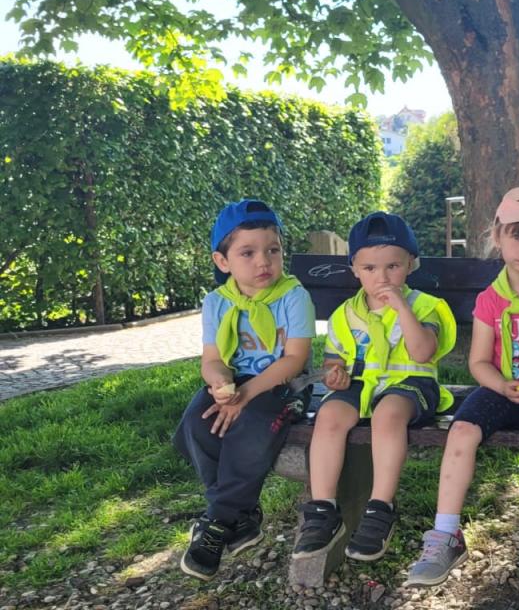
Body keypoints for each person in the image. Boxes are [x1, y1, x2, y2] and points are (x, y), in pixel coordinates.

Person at [406, 188, 519, 588]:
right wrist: (502, 385)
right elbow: (478, 363)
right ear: (497, 236)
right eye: (517, 234)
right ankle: (445, 535)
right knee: (461, 430)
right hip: (502, 388)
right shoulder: (492, 299)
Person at [291, 211, 456, 563]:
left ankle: (380, 508)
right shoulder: (345, 314)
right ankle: (323, 510)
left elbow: (423, 352)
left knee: (387, 414)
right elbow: (333, 362)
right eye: (369, 268)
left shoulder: (425, 306)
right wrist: (335, 375)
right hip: (361, 387)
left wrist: (401, 308)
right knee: (329, 414)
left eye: (392, 266)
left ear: (411, 264)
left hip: (412, 385)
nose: (382, 278)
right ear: (354, 268)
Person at [174, 199, 315, 580]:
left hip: (284, 386)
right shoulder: (217, 302)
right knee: (197, 421)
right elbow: (212, 359)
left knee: (252, 427)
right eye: (247, 253)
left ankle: (218, 521)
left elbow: (295, 359)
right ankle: (242, 517)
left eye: (273, 250)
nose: (263, 262)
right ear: (223, 262)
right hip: (238, 384)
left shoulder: (293, 296)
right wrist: (220, 383)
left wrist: (247, 395)